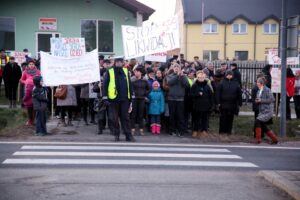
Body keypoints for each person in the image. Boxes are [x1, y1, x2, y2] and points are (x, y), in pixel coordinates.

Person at [103, 57, 135, 142]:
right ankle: (116, 135)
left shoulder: (126, 71)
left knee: (126, 118)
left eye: (121, 62)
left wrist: (132, 96)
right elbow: (105, 85)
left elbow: (129, 84)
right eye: (118, 62)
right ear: (115, 62)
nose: (119, 63)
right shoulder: (109, 71)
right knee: (114, 118)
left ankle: (128, 135)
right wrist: (105, 97)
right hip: (113, 99)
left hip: (124, 99)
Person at [166, 63, 190, 137]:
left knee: (180, 116)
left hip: (180, 99)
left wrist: (182, 76)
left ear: (180, 68)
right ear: (173, 68)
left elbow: (186, 85)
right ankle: (171, 130)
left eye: (177, 67)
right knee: (172, 116)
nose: (176, 68)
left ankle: (180, 131)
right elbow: (170, 83)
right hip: (171, 98)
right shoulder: (169, 76)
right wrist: (177, 76)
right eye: (175, 67)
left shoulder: (183, 76)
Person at [216, 70, 242, 135]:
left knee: (230, 118)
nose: (229, 76)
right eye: (228, 75)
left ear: (232, 75)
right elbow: (218, 93)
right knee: (223, 118)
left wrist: (239, 102)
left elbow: (239, 93)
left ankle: (228, 131)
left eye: (230, 75)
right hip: (223, 104)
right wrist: (218, 102)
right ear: (226, 75)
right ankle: (222, 131)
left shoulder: (236, 83)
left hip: (232, 104)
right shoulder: (222, 83)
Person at [254, 77, 278, 144]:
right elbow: (259, 100)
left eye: (258, 82)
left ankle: (258, 139)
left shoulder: (267, 90)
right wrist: (257, 101)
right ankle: (274, 139)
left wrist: (261, 100)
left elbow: (272, 99)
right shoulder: (259, 91)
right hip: (262, 111)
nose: (257, 83)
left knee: (257, 121)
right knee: (263, 125)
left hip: (268, 111)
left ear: (261, 83)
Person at [190, 70, 213, 138]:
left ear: (204, 78)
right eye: (200, 77)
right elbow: (191, 95)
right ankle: (195, 130)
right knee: (196, 119)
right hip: (197, 106)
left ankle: (204, 130)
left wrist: (211, 105)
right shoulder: (194, 85)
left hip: (206, 106)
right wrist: (197, 94)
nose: (201, 79)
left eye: (202, 77)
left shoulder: (207, 85)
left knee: (205, 119)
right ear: (197, 78)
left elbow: (211, 96)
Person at [130, 66, 150, 135]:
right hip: (134, 99)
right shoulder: (132, 80)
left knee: (141, 114)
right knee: (133, 114)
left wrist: (145, 94)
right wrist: (132, 95)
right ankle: (132, 128)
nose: (136, 73)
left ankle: (141, 129)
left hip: (141, 99)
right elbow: (130, 89)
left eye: (137, 71)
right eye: (135, 71)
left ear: (141, 73)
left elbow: (148, 89)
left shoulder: (144, 80)